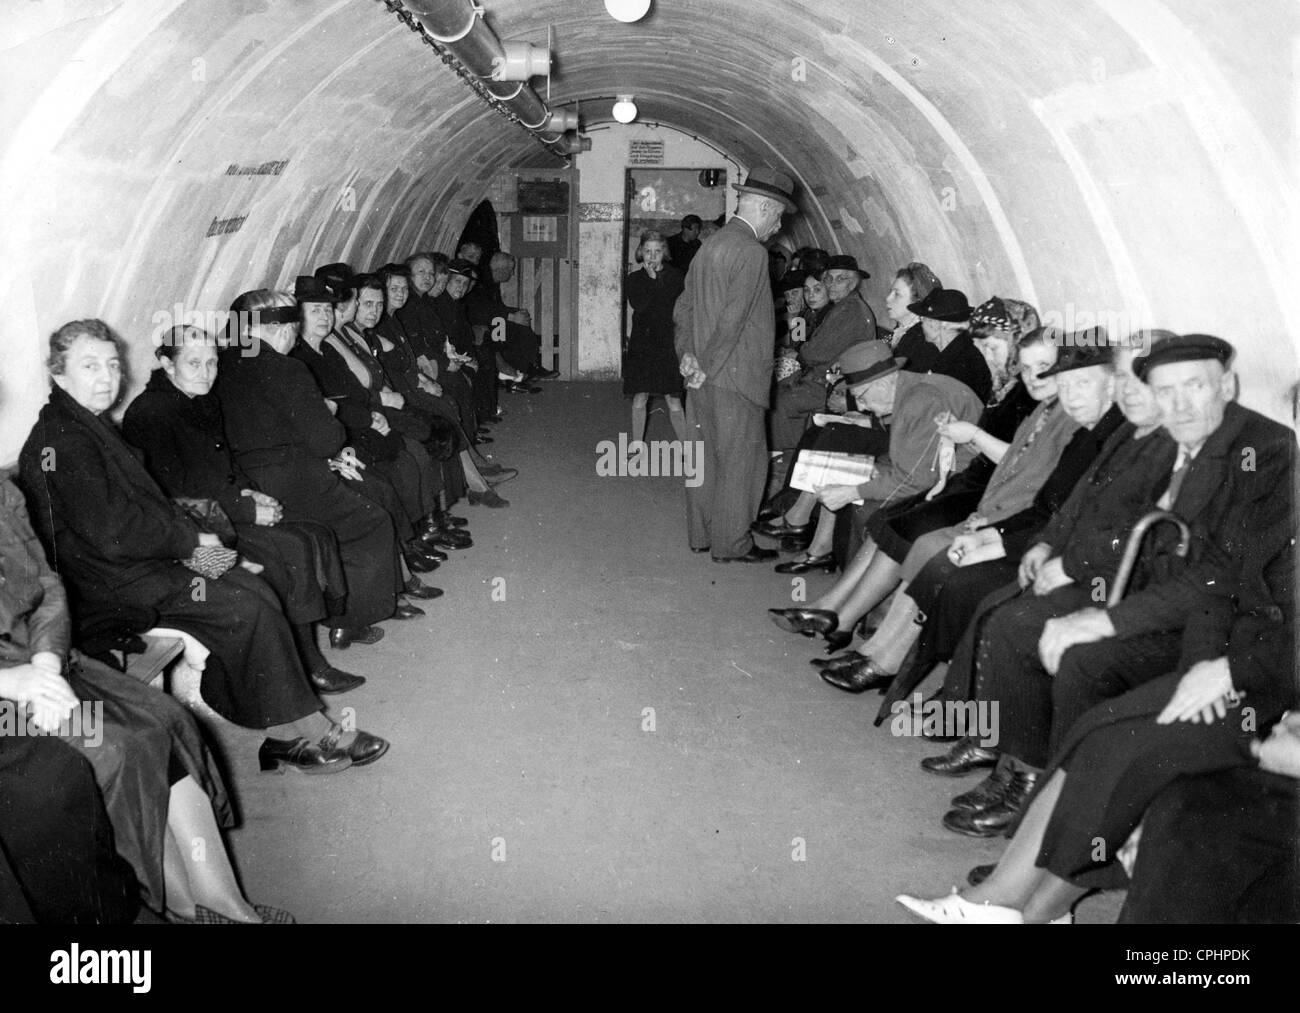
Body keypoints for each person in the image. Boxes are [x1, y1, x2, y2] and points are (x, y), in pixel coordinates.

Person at [941, 333, 1295, 837]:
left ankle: (1043, 793)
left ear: (1227, 387)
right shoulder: (1140, 433)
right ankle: (1021, 772)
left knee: (1034, 631)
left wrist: (1099, 607)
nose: (1135, 393)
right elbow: (1080, 503)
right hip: (1159, 599)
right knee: (1014, 621)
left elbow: (1204, 570)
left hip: (1170, 609)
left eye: (1188, 386)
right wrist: (1045, 544)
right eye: (1131, 380)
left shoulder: (1252, 449)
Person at [19, 318, 388, 770]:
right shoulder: (62, 441)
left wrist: (206, 547)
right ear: (58, 374)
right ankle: (309, 734)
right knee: (242, 603)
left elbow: (148, 509)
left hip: (142, 561)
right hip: (109, 583)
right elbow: (116, 532)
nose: (106, 378)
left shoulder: (86, 425)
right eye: (90, 366)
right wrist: (194, 541)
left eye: (112, 366)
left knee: (252, 580)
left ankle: (282, 734)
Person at [0, 475, 291, 922]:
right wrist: (12, 683)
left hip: (42, 661)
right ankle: (176, 906)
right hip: (6, 700)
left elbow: (47, 585)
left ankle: (224, 903)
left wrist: (44, 661)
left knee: (161, 721)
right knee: (115, 747)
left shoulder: (3, 490)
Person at [122, 325, 370, 694]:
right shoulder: (152, 413)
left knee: (312, 533)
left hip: (222, 510)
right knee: (288, 550)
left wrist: (253, 494)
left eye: (211, 362)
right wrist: (245, 509)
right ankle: (306, 665)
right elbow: (175, 492)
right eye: (193, 363)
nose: (206, 372)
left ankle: (318, 642)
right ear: (166, 363)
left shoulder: (200, 399)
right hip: (192, 531)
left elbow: (225, 464)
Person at [217, 290, 404, 649]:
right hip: (293, 480)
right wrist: (328, 413)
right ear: (284, 329)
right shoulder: (287, 368)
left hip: (244, 480)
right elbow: (326, 441)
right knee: (371, 521)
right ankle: (350, 620)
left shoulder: (225, 362)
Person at [674, 166, 796, 562]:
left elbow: (684, 308)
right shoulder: (752, 251)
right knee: (742, 462)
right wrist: (706, 364)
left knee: (705, 458)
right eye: (777, 217)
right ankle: (732, 544)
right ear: (763, 207)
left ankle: (702, 535)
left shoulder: (709, 246)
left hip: (702, 378)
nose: (777, 227)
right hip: (734, 376)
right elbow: (734, 319)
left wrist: (687, 357)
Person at [769, 255, 880, 454]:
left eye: (817, 289)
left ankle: (782, 450)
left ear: (853, 283)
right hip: (816, 373)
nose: (810, 296)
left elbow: (808, 350)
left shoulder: (840, 310)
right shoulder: (809, 314)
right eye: (805, 291)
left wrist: (797, 345)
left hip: (832, 381)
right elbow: (796, 343)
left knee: (778, 398)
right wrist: (794, 317)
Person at [623, 231, 687, 445]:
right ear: (641, 252)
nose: (652, 256)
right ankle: (637, 443)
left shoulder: (677, 277)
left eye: (657, 251)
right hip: (643, 343)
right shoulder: (634, 279)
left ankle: (687, 445)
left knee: (673, 398)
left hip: (668, 343)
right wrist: (651, 280)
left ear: (664, 253)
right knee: (640, 395)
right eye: (648, 251)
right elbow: (639, 305)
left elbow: (677, 307)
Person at [908, 288, 992, 402]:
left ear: (936, 324)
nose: (921, 325)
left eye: (923, 319)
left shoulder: (959, 363)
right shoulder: (956, 353)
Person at [884, 262, 943, 371]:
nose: (888, 298)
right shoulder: (901, 331)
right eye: (890, 292)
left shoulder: (922, 342)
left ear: (917, 302)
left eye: (897, 294)